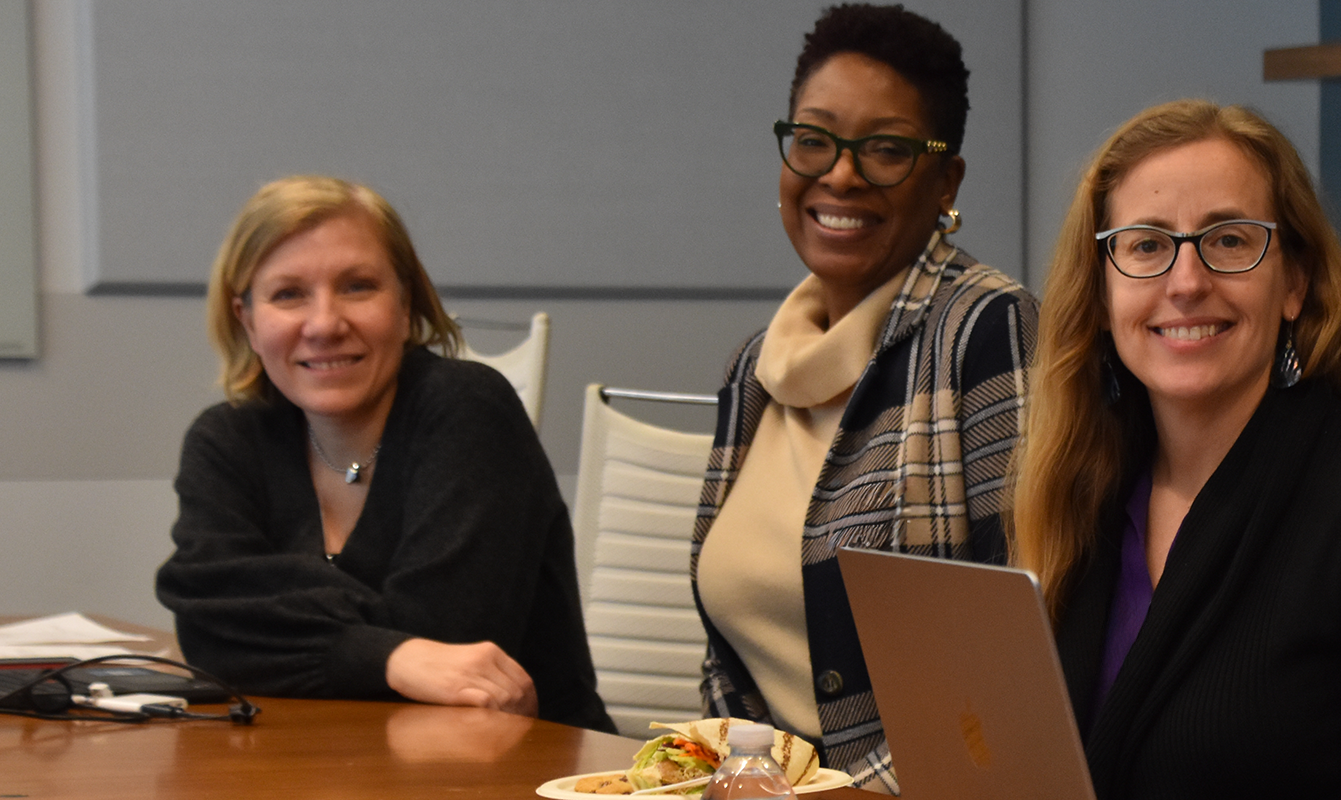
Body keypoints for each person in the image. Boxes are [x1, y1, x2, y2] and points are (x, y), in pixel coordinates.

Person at [1011, 99, 1341, 800]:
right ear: (1101, 295)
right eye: (1145, 244)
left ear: (1294, 283)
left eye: (1228, 240)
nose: (1186, 283)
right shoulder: (1087, 492)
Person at [687, 4, 1036, 789]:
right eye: (814, 139)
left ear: (945, 180)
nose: (840, 173)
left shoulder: (985, 334)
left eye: (886, 150)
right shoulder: (754, 369)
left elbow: (1015, 661)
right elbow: (727, 666)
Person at [156, 175, 612, 732]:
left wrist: (266, 614)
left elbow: (449, 640)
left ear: (405, 303)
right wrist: (393, 654)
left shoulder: (468, 408)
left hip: (527, 775)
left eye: (357, 286)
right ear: (247, 320)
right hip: (313, 768)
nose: (324, 324)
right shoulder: (226, 441)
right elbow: (206, 633)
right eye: (288, 294)